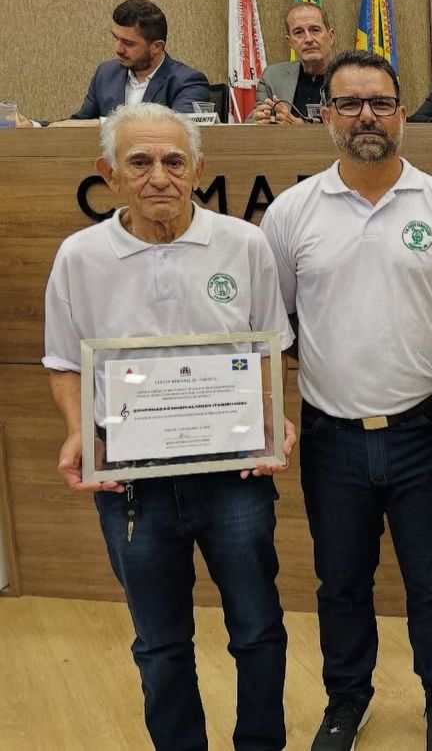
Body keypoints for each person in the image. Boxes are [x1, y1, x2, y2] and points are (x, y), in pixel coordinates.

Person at [43, 102, 295, 751]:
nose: (159, 175)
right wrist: (79, 431)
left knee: (258, 627)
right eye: (140, 161)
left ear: (198, 169)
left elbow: (270, 350)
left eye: (173, 160)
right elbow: (66, 363)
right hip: (131, 483)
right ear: (109, 172)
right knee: (159, 642)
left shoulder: (244, 244)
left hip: (235, 474)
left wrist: (274, 423)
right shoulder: (80, 257)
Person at [260, 50, 432, 751]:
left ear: (402, 114)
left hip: (425, 430)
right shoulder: (292, 213)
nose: (366, 116)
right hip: (332, 436)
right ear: (325, 114)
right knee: (341, 581)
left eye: (381, 103)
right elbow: (277, 329)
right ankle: (346, 698)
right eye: (350, 103)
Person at [56, 0, 210, 125]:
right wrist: (37, 126)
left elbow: (176, 130)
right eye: (116, 38)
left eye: (128, 43)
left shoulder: (188, 82)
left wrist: (102, 124)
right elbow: (81, 123)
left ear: (157, 47)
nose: (118, 49)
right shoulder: (106, 73)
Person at [249, 3, 337, 124]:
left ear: (331, 36)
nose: (308, 39)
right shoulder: (273, 76)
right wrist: (262, 119)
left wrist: (299, 127)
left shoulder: (351, 77)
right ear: (290, 42)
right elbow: (250, 123)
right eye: (298, 32)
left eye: (315, 30)